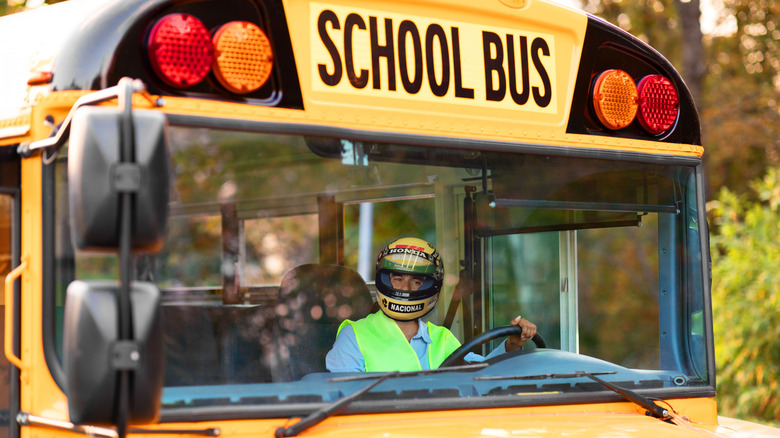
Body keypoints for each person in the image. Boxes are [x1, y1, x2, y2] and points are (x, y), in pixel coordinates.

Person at [325, 237, 537, 373]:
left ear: (430, 286)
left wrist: (513, 344)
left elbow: (482, 373)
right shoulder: (354, 335)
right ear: (384, 280)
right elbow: (344, 402)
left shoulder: (441, 338)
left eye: (416, 281)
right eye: (398, 279)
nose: (406, 287)